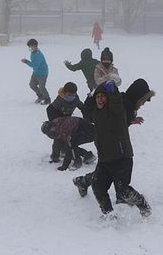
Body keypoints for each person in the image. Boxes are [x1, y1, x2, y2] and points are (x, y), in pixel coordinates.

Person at [72, 81, 152, 218]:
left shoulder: (116, 108)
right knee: (98, 186)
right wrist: (91, 96)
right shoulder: (96, 113)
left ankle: (142, 204)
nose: (100, 99)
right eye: (98, 97)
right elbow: (87, 113)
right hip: (105, 158)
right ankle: (108, 214)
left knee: (122, 191)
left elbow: (116, 104)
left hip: (121, 157)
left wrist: (111, 87)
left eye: (103, 96)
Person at [46, 82, 85, 163]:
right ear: (64, 93)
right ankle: (55, 156)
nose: (71, 97)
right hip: (58, 120)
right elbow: (50, 109)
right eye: (69, 95)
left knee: (67, 138)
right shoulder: (59, 100)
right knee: (58, 138)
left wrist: (87, 113)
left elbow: (82, 107)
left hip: (68, 121)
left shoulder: (75, 99)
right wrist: (54, 122)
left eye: (73, 95)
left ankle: (65, 151)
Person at [21, 38, 50, 105]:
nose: (30, 48)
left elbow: (35, 65)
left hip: (42, 73)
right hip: (36, 72)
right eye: (29, 46)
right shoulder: (33, 52)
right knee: (32, 85)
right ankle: (41, 96)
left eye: (30, 46)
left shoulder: (38, 55)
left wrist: (26, 61)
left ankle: (47, 99)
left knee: (42, 87)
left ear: (35, 46)